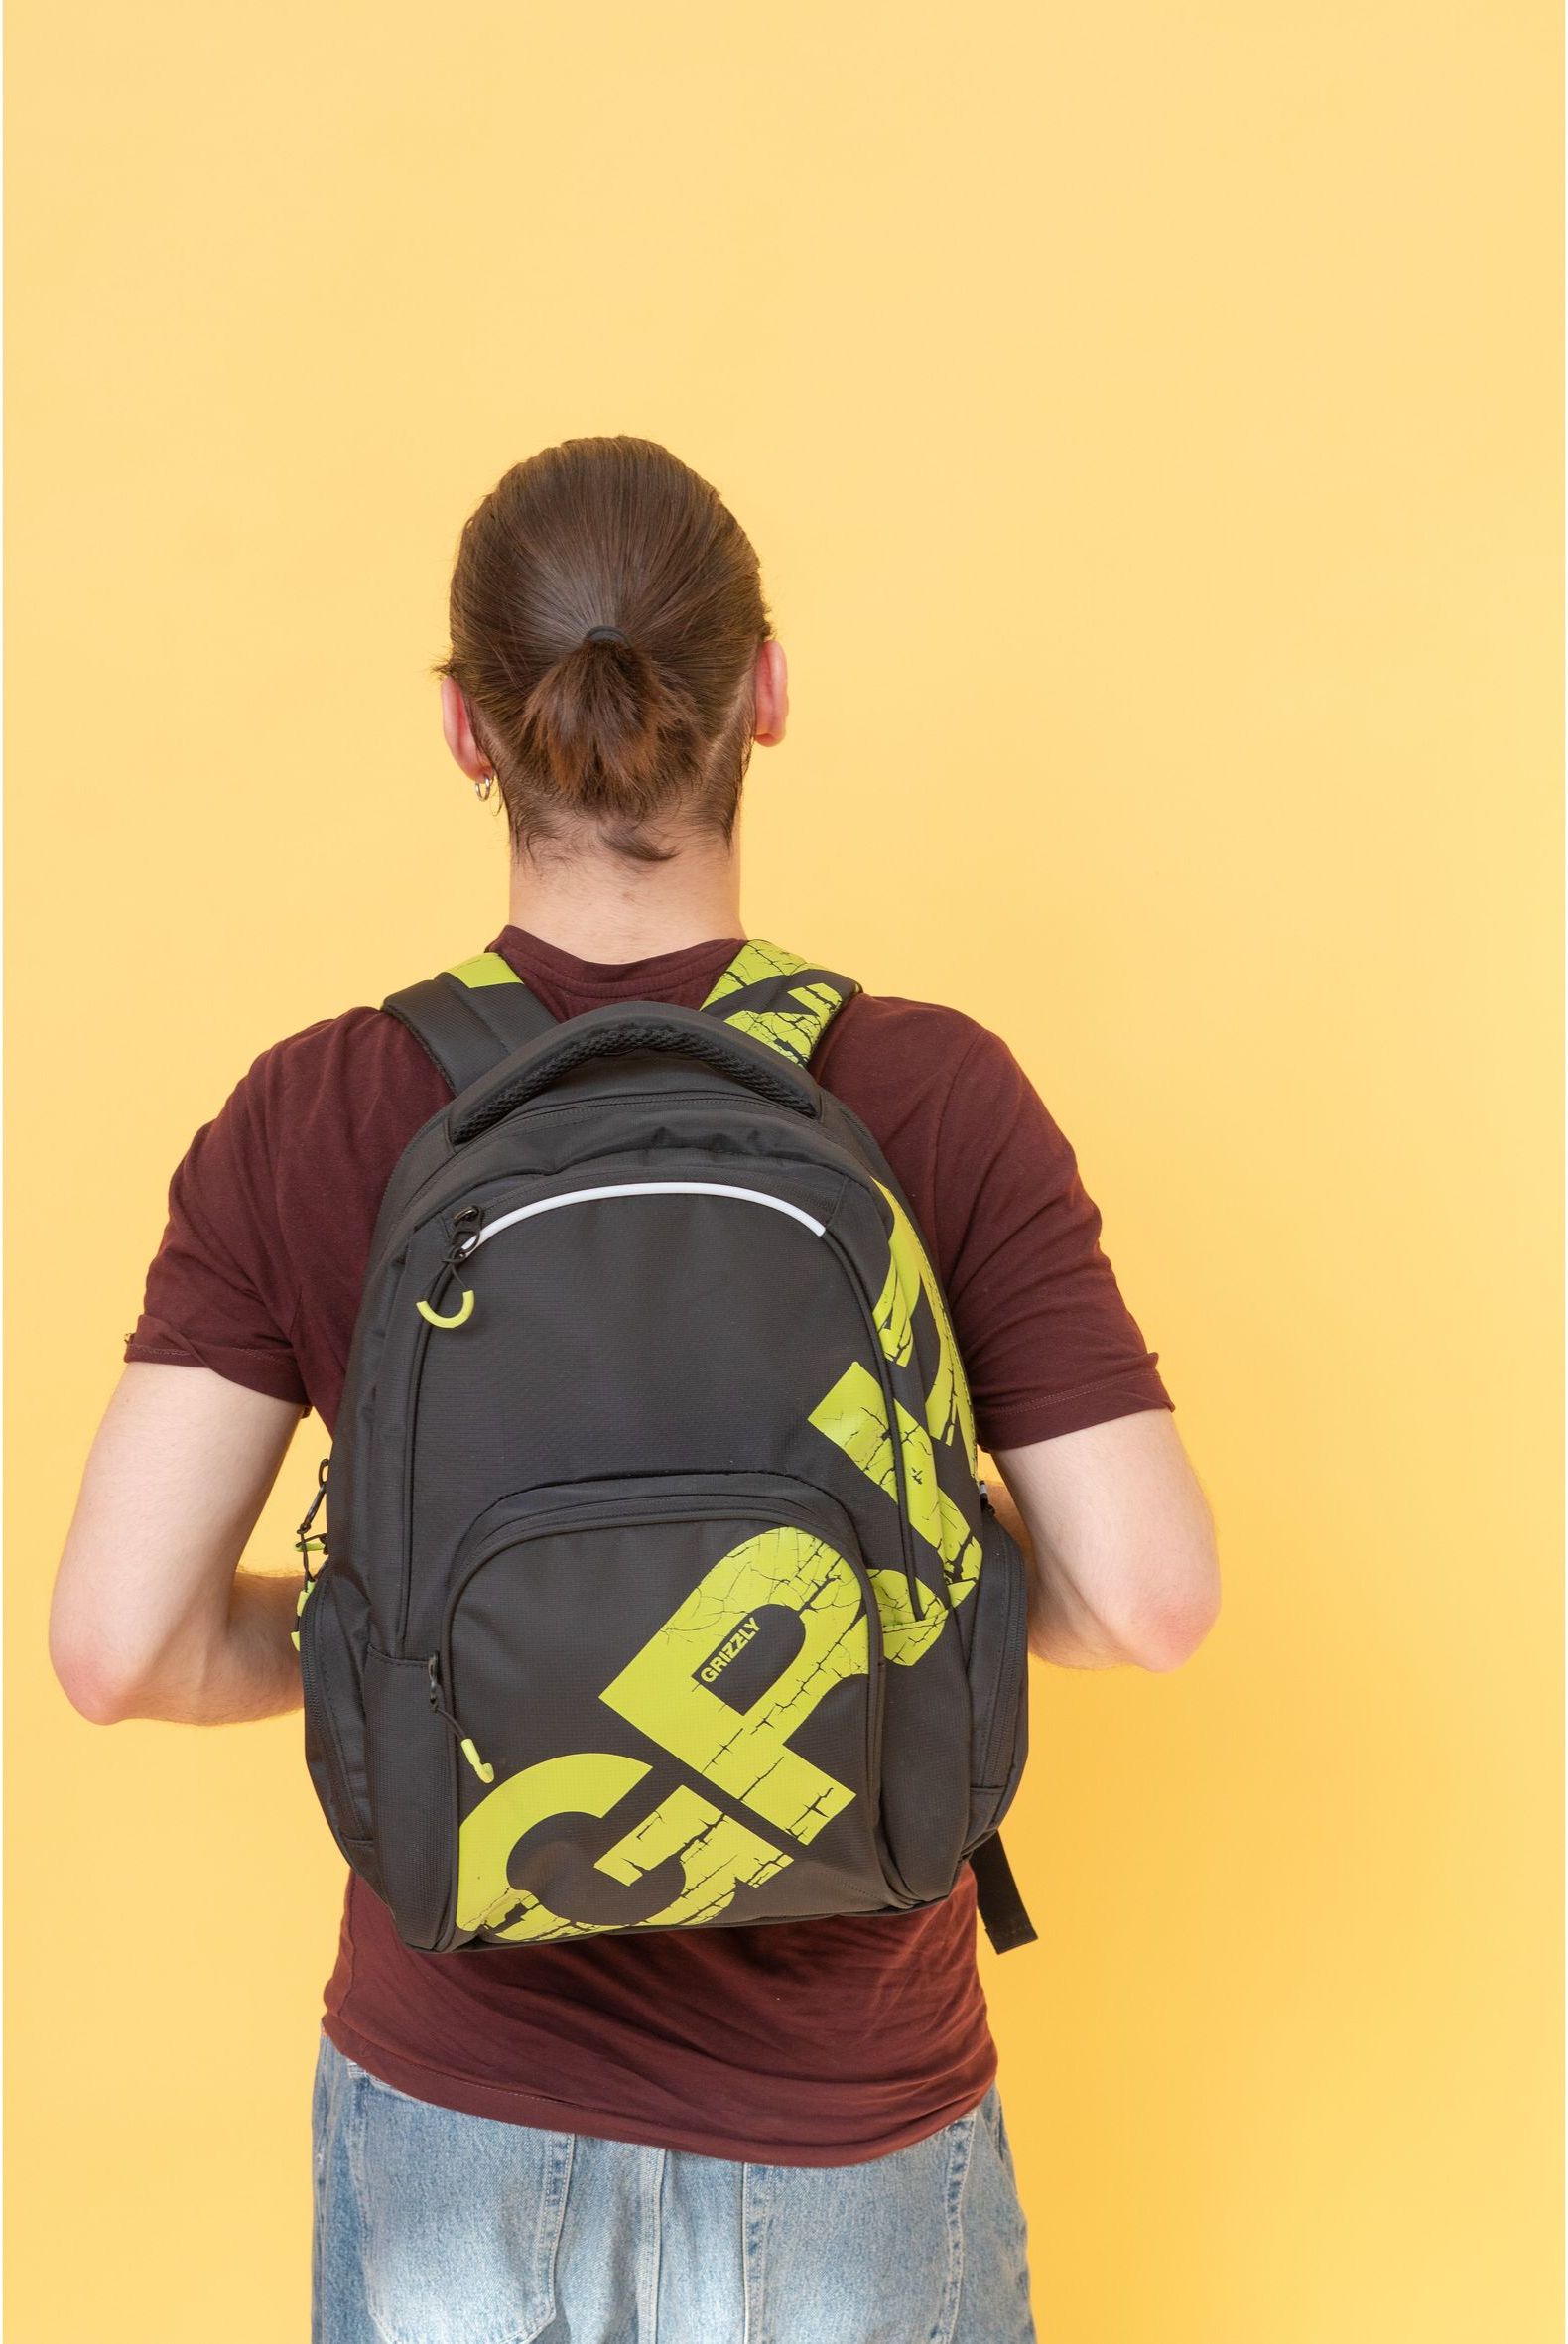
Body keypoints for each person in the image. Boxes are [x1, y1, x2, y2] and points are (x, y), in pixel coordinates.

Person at [50, 436, 1221, 2343]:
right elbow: (1150, 1598)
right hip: (854, 2127)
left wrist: (406, 1641)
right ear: (768, 691)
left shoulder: (315, 1112)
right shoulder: (933, 1095)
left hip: (455, 2111)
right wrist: (870, 1593)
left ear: (466, 727)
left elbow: (121, 1646)